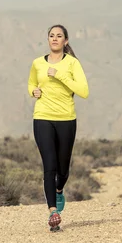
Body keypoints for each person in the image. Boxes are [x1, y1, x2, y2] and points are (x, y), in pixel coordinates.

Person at [27, 24, 89, 230]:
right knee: (49, 165)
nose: (54, 39)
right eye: (51, 36)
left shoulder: (72, 64)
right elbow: (31, 84)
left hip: (66, 119)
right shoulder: (37, 63)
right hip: (42, 117)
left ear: (66, 41)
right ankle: (52, 211)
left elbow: (83, 91)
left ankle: (59, 189)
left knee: (62, 169)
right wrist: (33, 92)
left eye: (59, 36)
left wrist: (60, 75)